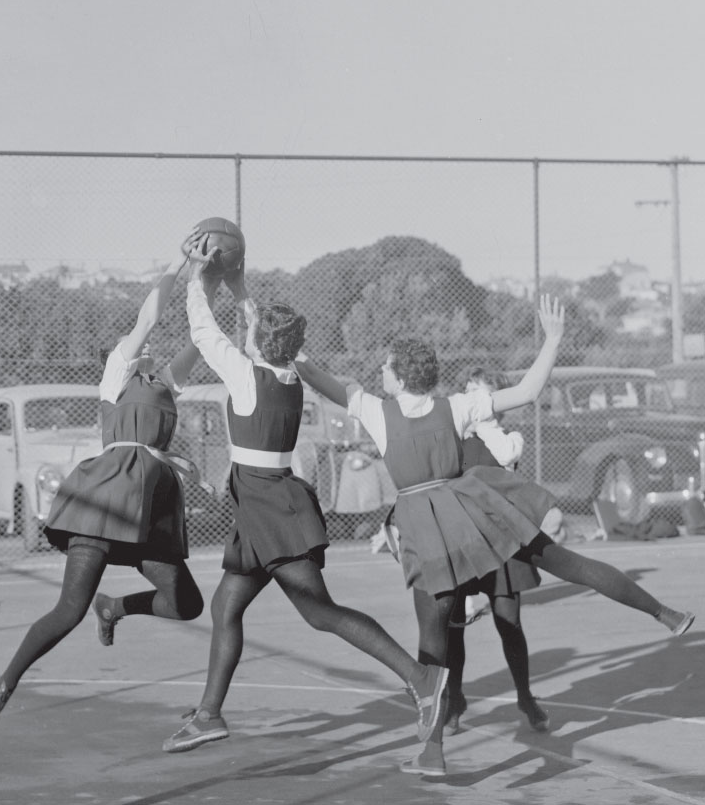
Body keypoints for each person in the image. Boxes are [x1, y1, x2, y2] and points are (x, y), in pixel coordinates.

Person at [295, 295, 694, 777]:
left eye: (385, 366)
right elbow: (527, 390)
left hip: (428, 527)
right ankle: (665, 614)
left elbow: (322, 382)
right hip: (476, 512)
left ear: (399, 376)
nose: (380, 371)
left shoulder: (379, 412)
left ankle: (433, 752)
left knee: (432, 647)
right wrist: (553, 340)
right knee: (571, 564)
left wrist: (290, 351)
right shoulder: (457, 405)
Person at [162, 234, 447, 754]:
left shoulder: (247, 377)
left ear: (257, 343)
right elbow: (263, 330)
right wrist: (241, 286)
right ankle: (209, 715)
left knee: (321, 612)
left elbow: (203, 330)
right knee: (226, 604)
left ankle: (421, 678)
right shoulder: (289, 371)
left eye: (253, 332)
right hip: (262, 502)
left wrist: (199, 276)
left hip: (269, 505)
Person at [0, 242, 209, 733]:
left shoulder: (166, 381)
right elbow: (147, 319)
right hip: (107, 495)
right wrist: (176, 265)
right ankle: (4, 685)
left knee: (187, 604)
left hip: (148, 505)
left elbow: (203, 340)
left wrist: (207, 281)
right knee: (68, 609)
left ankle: (116, 607)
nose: (144, 343)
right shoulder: (117, 373)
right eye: (137, 340)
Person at [444, 367, 552, 734]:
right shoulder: (453, 433)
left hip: (501, 543)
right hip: (460, 539)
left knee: (509, 623)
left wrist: (484, 423)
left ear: (497, 401)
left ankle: (525, 696)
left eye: (480, 390)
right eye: (467, 389)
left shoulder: (506, 439)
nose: (471, 395)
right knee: (452, 625)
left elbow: (503, 458)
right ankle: (454, 701)